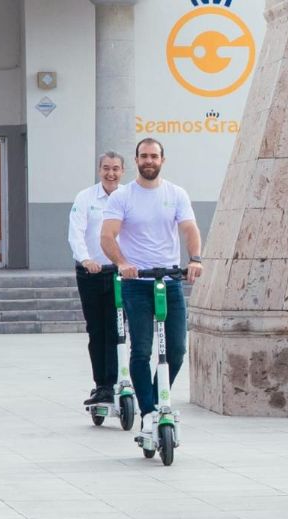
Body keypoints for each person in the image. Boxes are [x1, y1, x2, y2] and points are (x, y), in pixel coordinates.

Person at [100, 138, 203, 439]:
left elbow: (189, 229)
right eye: (144, 156)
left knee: (177, 349)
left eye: (154, 156)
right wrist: (122, 263)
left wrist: (195, 259)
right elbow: (107, 236)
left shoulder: (176, 194)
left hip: (169, 281)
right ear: (136, 160)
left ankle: (157, 403)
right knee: (142, 350)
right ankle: (147, 413)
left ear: (162, 160)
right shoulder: (123, 196)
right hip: (137, 283)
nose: (149, 161)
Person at [68, 151, 125, 406]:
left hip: (120, 273)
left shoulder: (128, 196)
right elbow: (76, 232)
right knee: (96, 330)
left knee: (117, 330)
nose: (110, 173)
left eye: (115, 169)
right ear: (99, 170)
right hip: (91, 273)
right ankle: (102, 385)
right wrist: (85, 259)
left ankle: (116, 382)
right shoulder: (86, 197)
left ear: (122, 171)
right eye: (106, 168)